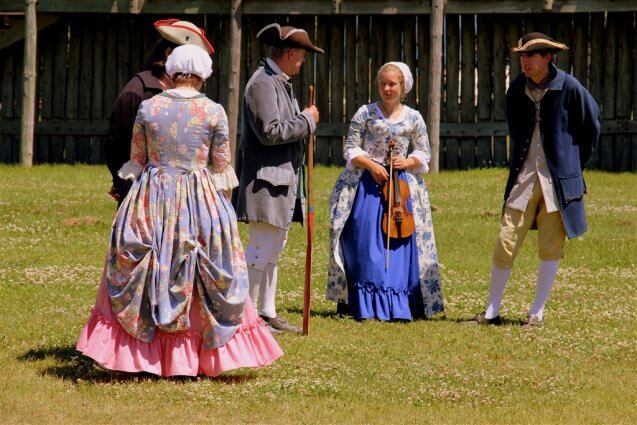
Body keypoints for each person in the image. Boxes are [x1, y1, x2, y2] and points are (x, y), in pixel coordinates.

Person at [77, 44, 283, 377]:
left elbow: (137, 161)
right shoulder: (214, 111)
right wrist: (221, 216)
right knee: (208, 260)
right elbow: (221, 168)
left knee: (147, 257)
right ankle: (196, 355)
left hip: (152, 194)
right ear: (203, 73)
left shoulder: (148, 108)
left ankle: (139, 355)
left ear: (172, 71)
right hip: (199, 196)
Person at [469, 33, 600, 327]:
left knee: (551, 245)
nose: (524, 61)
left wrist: (573, 165)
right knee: (506, 239)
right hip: (525, 176)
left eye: (531, 56)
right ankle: (491, 312)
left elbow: (591, 125)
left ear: (547, 58)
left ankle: (537, 313)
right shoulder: (516, 88)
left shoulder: (570, 87)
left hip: (558, 182)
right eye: (522, 56)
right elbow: (517, 129)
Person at [326, 62, 444, 321]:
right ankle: (362, 303)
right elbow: (351, 148)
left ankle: (400, 303)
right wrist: (370, 164)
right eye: (383, 83)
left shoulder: (413, 117)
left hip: (400, 189)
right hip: (367, 185)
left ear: (404, 87)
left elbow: (424, 152)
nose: (387, 88)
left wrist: (407, 162)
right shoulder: (365, 113)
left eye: (393, 84)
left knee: (400, 245)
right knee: (364, 244)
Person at [233, 23, 323, 333]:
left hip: (282, 178)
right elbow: (270, 132)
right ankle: (245, 317)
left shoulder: (278, 81)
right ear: (291, 53)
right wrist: (307, 121)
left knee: (275, 246)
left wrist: (304, 121)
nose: (302, 63)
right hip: (265, 180)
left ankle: (267, 313)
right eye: (301, 57)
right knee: (260, 246)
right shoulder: (262, 83)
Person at [105, 19, 214, 206]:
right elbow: (117, 148)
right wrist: (124, 185)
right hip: (142, 197)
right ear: (169, 54)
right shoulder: (136, 93)